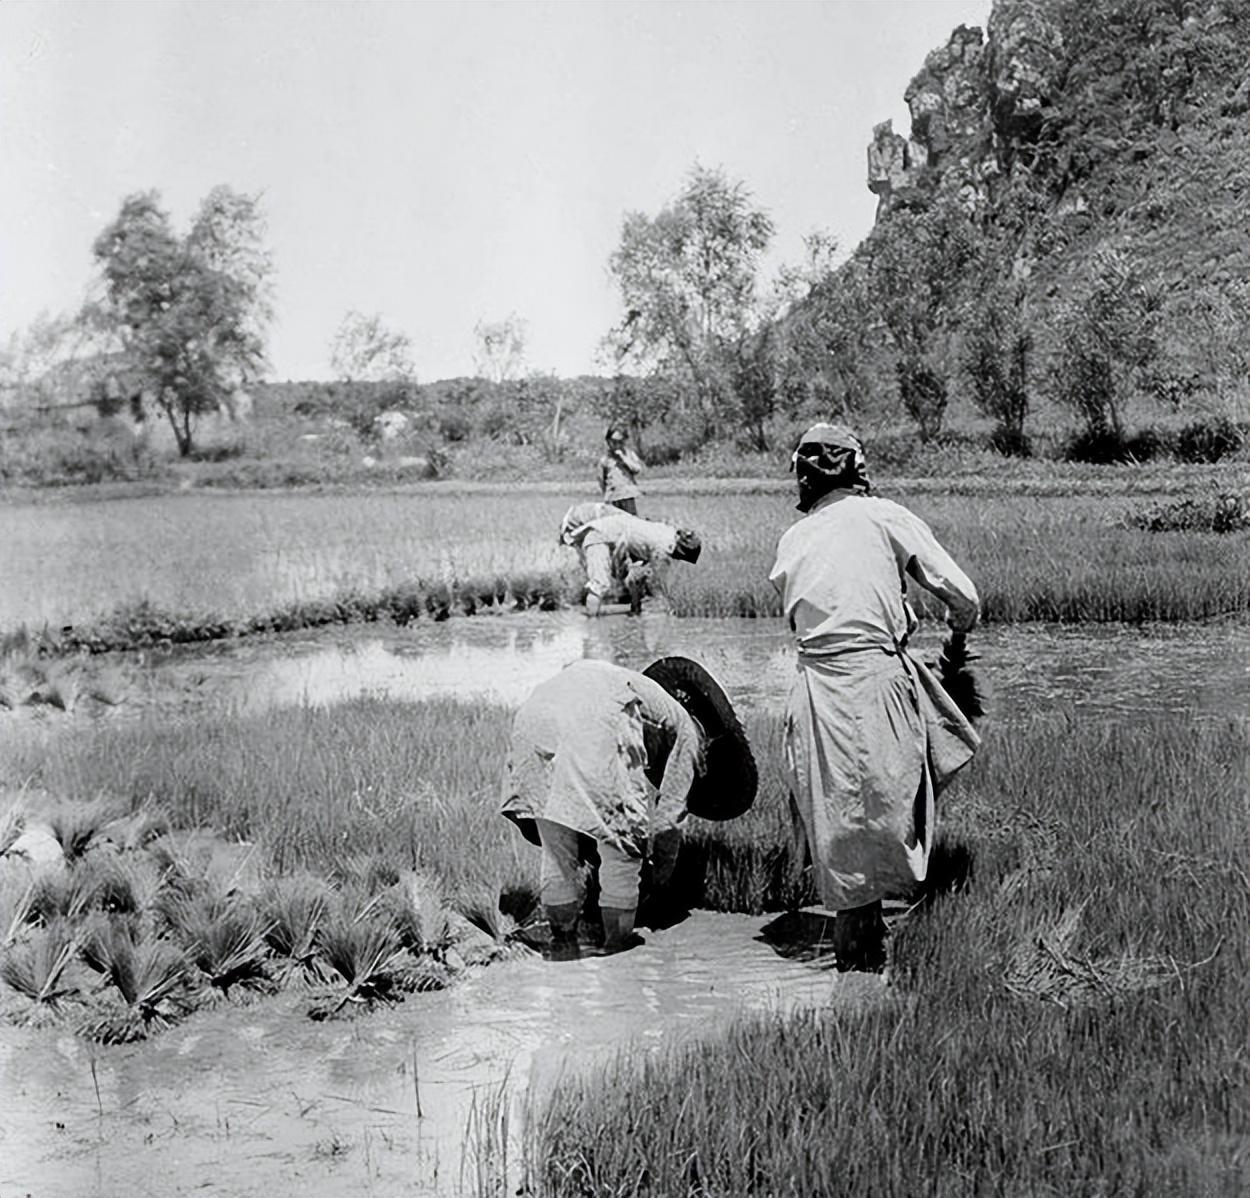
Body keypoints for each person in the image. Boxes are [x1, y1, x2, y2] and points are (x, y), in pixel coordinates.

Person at [768, 423, 981, 972]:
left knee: (839, 824)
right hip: (873, 681)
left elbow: (807, 609)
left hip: (813, 691)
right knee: (888, 806)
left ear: (805, 477)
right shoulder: (885, 516)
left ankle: (858, 953)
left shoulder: (795, 538)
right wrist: (959, 628)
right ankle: (869, 964)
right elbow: (963, 595)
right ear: (857, 470)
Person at [500, 657, 756, 957]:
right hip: (599, 718)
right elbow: (669, 819)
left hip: (536, 712)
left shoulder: (648, 697)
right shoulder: (689, 733)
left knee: (558, 849)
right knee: (621, 851)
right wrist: (657, 877)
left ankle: (563, 944)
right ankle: (617, 949)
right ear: (706, 744)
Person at [567, 509, 701, 616]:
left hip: (613, 535)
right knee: (600, 584)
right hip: (601, 536)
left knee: (633, 580)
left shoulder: (669, 533)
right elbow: (657, 583)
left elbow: (641, 576)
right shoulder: (664, 548)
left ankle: (631, 611)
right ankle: (591, 627)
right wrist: (668, 605)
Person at [598, 424, 645, 514]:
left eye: (620, 442)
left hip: (627, 495)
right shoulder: (605, 460)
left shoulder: (629, 454)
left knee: (630, 519)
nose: (617, 445)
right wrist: (607, 493)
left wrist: (623, 458)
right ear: (608, 442)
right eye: (614, 442)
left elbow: (637, 469)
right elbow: (601, 480)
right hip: (613, 497)